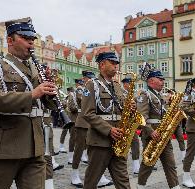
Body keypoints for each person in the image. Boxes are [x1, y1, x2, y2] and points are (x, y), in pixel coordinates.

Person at [0, 18, 57, 189]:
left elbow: (48, 105)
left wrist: (51, 93)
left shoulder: (36, 69)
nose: (31, 42)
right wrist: (32, 94)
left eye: (33, 39)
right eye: (25, 37)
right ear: (10, 40)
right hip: (4, 146)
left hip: (35, 147)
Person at [82, 51, 134, 189]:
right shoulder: (91, 85)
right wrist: (109, 130)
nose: (116, 66)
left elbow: (121, 110)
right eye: (112, 63)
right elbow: (87, 113)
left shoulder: (117, 86)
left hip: (119, 139)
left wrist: (130, 108)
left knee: (123, 180)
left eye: (117, 63)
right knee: (92, 180)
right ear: (102, 64)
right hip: (100, 140)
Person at [136, 64, 180, 189]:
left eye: (162, 79)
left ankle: (175, 186)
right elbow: (141, 117)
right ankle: (140, 185)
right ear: (151, 81)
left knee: (170, 164)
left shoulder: (160, 96)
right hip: (152, 135)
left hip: (163, 134)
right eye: (160, 79)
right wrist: (150, 131)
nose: (163, 81)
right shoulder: (145, 95)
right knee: (148, 164)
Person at [121, 77, 141, 174]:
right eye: (130, 84)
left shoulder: (131, 95)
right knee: (123, 144)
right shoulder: (121, 93)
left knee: (135, 142)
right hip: (123, 122)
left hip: (131, 121)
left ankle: (136, 166)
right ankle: (120, 166)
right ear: (125, 84)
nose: (131, 86)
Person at [58, 87, 74, 154]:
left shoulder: (72, 97)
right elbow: (62, 105)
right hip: (66, 117)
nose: (70, 93)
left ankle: (71, 147)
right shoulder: (66, 98)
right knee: (64, 132)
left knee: (71, 133)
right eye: (70, 92)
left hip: (71, 117)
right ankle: (61, 146)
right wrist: (65, 105)